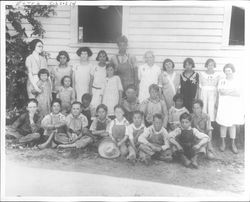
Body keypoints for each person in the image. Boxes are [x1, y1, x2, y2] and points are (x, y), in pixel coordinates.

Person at [216, 64, 244, 154]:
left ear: (233, 71)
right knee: (223, 124)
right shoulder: (222, 81)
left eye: (229, 70)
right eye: (226, 70)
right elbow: (221, 91)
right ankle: (223, 143)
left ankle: (233, 144)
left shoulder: (237, 81)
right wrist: (231, 91)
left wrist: (227, 91)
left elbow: (238, 93)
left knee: (232, 124)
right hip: (223, 105)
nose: (228, 72)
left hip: (233, 105)